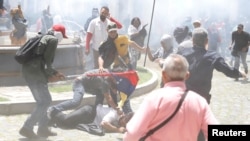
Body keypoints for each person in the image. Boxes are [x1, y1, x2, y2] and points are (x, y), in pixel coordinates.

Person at [123, 54, 219, 141]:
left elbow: (132, 134)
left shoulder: (154, 99)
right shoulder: (199, 102)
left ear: (163, 74)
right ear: (187, 76)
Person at [19, 25, 68, 139]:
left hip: (30, 72)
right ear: (59, 34)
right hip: (36, 74)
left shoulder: (42, 37)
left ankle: (43, 128)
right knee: (45, 101)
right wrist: (53, 74)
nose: (60, 40)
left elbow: (40, 60)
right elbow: (47, 63)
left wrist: (54, 73)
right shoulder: (53, 40)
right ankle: (27, 127)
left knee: (42, 101)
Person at [177, 27, 246, 104]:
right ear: (206, 41)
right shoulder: (213, 56)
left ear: (192, 40)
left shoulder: (182, 53)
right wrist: (240, 74)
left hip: (184, 95)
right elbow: (227, 71)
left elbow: (170, 66)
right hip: (201, 98)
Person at [47, 69, 139, 119]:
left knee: (100, 95)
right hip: (79, 83)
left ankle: (95, 114)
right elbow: (109, 98)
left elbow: (113, 91)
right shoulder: (104, 80)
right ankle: (53, 109)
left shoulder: (110, 77)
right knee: (76, 102)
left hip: (91, 86)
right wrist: (117, 108)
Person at [49, 104, 134, 135]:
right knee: (65, 119)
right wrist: (117, 130)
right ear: (124, 116)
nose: (123, 125)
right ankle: (51, 110)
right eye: (124, 122)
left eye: (125, 125)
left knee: (67, 125)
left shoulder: (124, 122)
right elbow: (103, 124)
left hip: (89, 120)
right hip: (88, 111)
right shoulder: (115, 113)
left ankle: (52, 118)